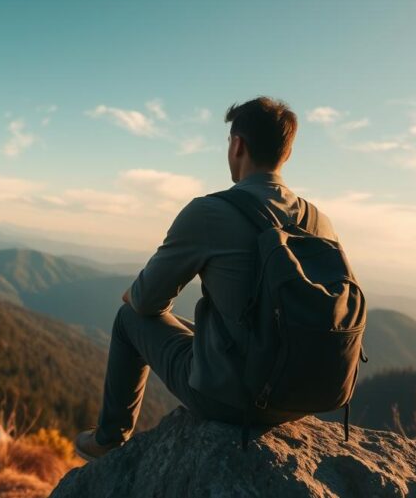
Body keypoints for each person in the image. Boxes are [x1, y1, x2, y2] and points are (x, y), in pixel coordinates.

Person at [74, 96, 340, 461]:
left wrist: (132, 295)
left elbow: (149, 301)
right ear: (287, 154)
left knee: (129, 319)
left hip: (232, 400)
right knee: (204, 329)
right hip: (300, 396)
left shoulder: (211, 212)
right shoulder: (320, 223)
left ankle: (108, 439)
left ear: (237, 145)